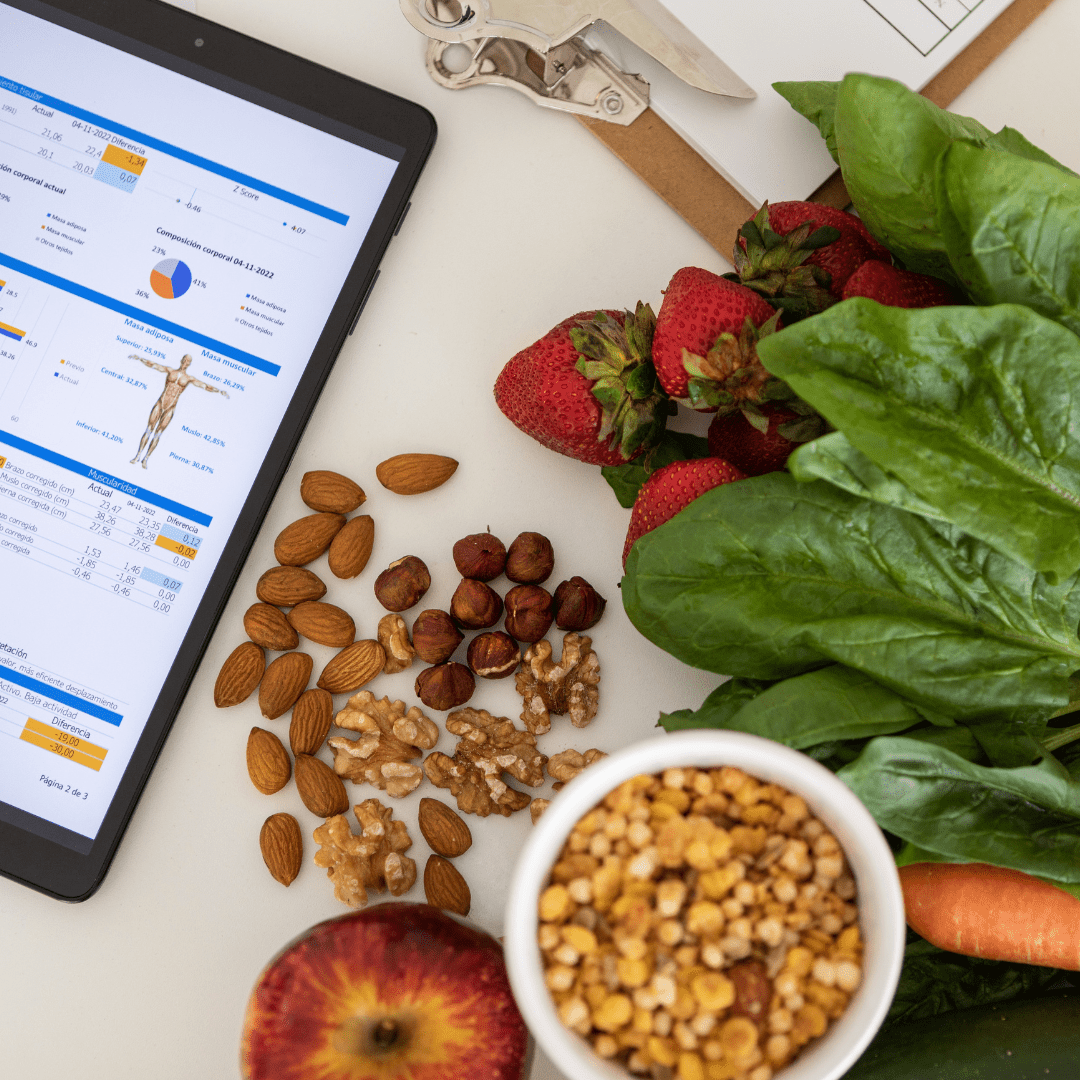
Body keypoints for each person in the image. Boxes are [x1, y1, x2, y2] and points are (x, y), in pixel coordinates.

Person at [126, 352, 228, 468]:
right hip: (160, 403)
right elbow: (154, 365)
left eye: (188, 361)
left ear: (189, 364)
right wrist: (140, 358)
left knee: (158, 434)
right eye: (185, 360)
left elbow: (204, 386)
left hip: (171, 407)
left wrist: (219, 391)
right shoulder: (170, 371)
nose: (185, 363)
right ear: (181, 360)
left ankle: (146, 459)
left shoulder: (189, 378)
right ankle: (137, 456)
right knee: (149, 430)